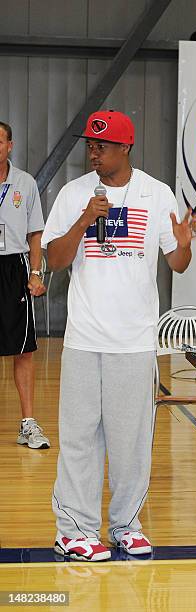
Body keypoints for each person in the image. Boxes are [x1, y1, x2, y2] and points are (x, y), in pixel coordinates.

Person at [42, 110, 194, 561]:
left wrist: (184, 242)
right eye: (90, 144)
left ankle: (126, 524)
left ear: (126, 147)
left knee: (131, 440)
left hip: (135, 340)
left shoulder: (155, 193)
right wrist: (85, 220)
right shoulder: (73, 195)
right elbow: (54, 260)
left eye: (102, 146)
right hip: (85, 338)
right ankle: (73, 529)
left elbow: (178, 264)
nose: (94, 152)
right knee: (79, 437)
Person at [0, 121, 50, 450]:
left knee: (23, 350)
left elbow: (35, 234)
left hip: (14, 266)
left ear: (10, 145)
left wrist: (37, 273)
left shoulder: (25, 183)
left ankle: (28, 424)